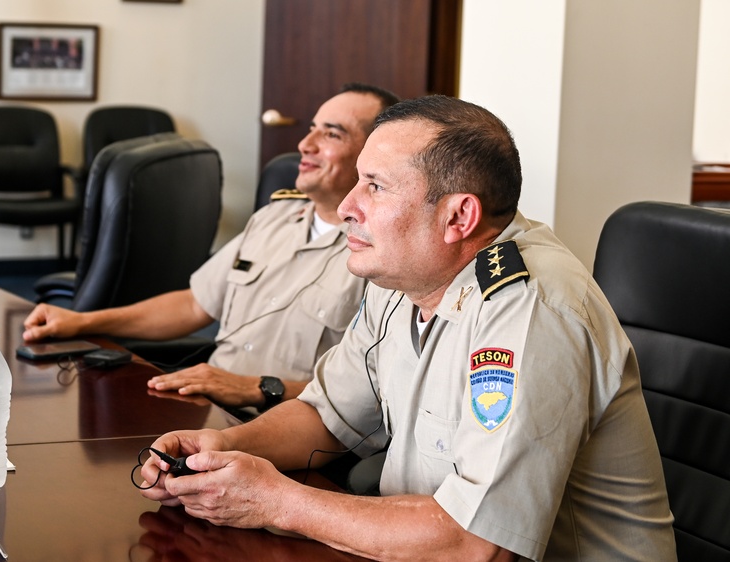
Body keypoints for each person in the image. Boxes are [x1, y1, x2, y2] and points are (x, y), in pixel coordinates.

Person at [138, 95, 676, 561]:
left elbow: (476, 544)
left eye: (375, 186)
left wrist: (275, 500)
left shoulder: (531, 307)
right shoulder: (401, 275)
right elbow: (328, 416)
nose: (348, 207)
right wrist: (221, 449)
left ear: (458, 218)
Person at [24, 83, 400, 412]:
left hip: (285, 424)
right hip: (204, 407)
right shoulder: (274, 218)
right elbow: (194, 304)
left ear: (373, 156)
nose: (305, 144)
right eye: (311, 129)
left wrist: (257, 389)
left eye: (331, 134)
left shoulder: (382, 256)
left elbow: (372, 392)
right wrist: (82, 321)